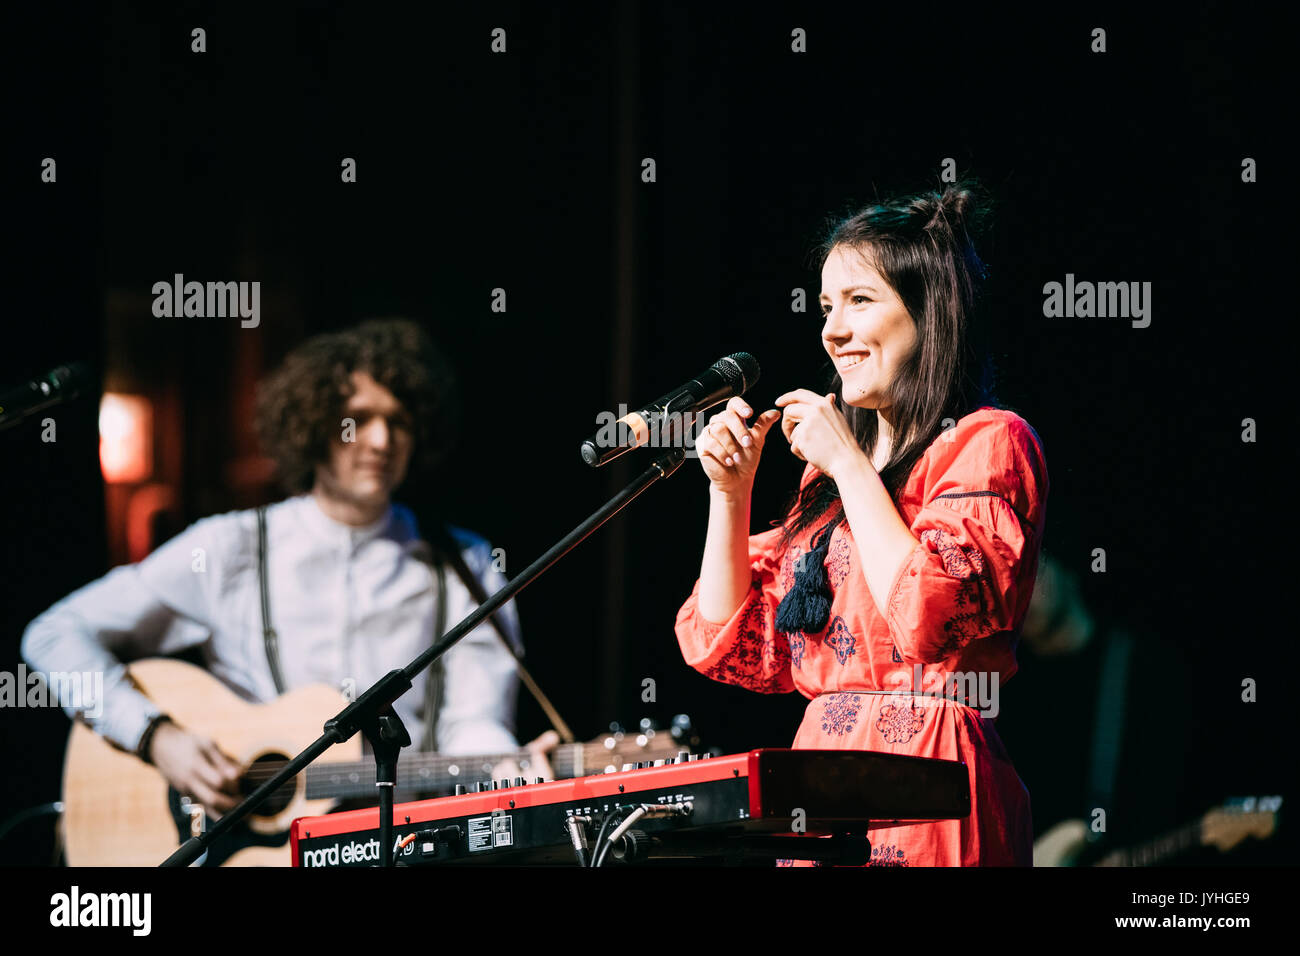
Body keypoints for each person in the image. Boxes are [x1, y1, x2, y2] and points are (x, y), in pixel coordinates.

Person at [23, 318, 551, 817]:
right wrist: (155, 735)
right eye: (359, 419)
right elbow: (53, 636)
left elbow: (478, 725)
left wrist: (503, 770)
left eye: (399, 422)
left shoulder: (465, 562)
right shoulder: (231, 547)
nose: (382, 441)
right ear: (315, 424)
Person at [674, 183, 1048, 866]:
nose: (832, 330)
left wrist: (850, 463)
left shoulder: (987, 441)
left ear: (930, 314)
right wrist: (729, 494)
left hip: (931, 779)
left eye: (860, 301)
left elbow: (928, 613)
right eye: (825, 307)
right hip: (821, 779)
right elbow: (744, 650)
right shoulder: (826, 480)